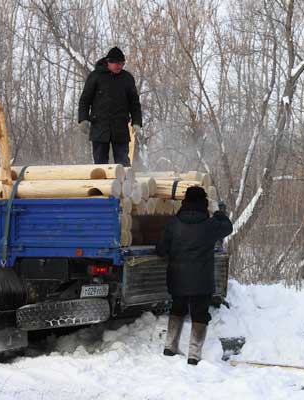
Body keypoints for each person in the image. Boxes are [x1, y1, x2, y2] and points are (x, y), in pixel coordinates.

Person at [157, 186, 233, 365]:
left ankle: (170, 347)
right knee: (199, 314)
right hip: (201, 280)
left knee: (177, 309)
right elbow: (228, 228)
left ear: (185, 202)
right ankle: (194, 355)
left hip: (177, 278)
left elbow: (160, 249)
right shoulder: (210, 225)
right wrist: (220, 213)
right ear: (204, 203)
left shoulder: (173, 224)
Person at [78, 46, 142, 167]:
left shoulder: (127, 78)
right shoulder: (95, 76)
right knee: (100, 165)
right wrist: (83, 119)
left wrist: (137, 122)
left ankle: (125, 185)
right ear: (109, 62)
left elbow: (134, 103)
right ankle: (101, 186)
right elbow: (85, 100)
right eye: (117, 64)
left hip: (120, 127)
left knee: (123, 163)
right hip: (99, 127)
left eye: (122, 64)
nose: (119, 66)